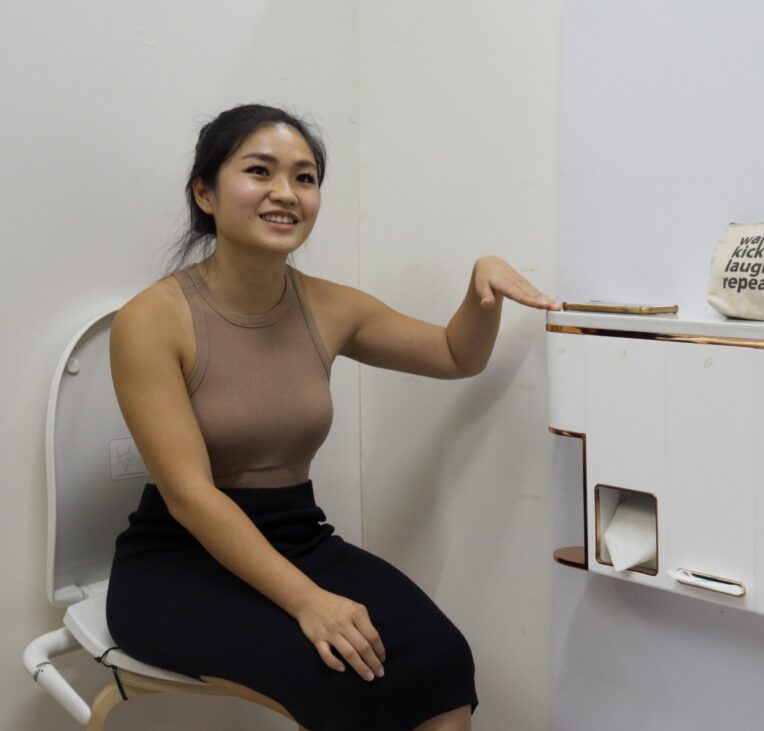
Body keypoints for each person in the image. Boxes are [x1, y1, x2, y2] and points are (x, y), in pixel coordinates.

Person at [105, 103, 559, 731]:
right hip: (179, 562)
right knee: (345, 682)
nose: (285, 193)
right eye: (259, 172)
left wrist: (481, 285)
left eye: (305, 177)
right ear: (204, 192)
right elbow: (188, 497)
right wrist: (309, 602)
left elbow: (457, 355)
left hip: (299, 537)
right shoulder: (152, 320)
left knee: (439, 661)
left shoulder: (329, 306)